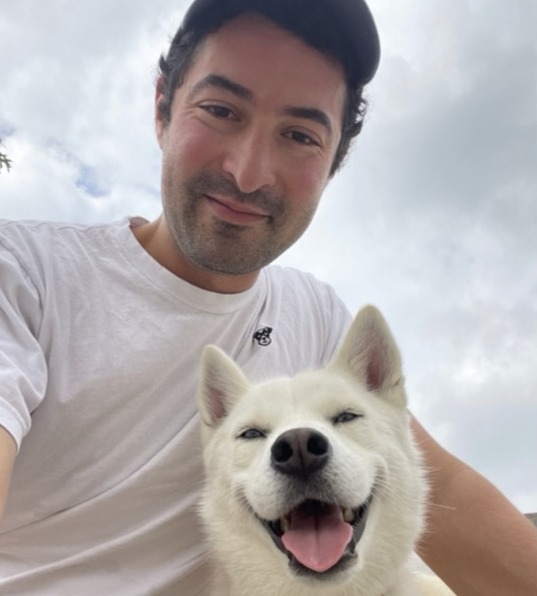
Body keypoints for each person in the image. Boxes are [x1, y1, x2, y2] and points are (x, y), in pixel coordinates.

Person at [1, 0, 536, 593]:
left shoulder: (314, 316)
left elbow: (442, 490)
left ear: (334, 162)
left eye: (300, 135)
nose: (249, 172)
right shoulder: (24, 274)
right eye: (221, 110)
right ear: (162, 108)